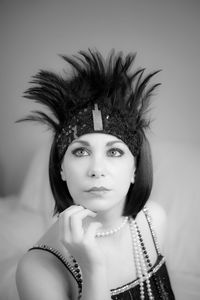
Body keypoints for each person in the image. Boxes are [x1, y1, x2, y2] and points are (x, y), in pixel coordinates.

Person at [16, 49, 175, 300]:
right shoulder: (37, 268)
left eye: (114, 152)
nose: (97, 169)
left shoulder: (153, 220)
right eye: (80, 152)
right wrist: (92, 268)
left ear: (134, 169)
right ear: (61, 169)